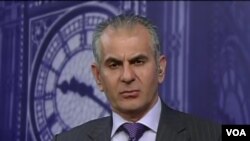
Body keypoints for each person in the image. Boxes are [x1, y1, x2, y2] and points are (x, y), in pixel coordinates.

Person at [53, 14, 221, 141]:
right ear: (98, 77)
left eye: (138, 62)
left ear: (160, 69)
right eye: (114, 65)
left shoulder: (213, 135)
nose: (127, 76)